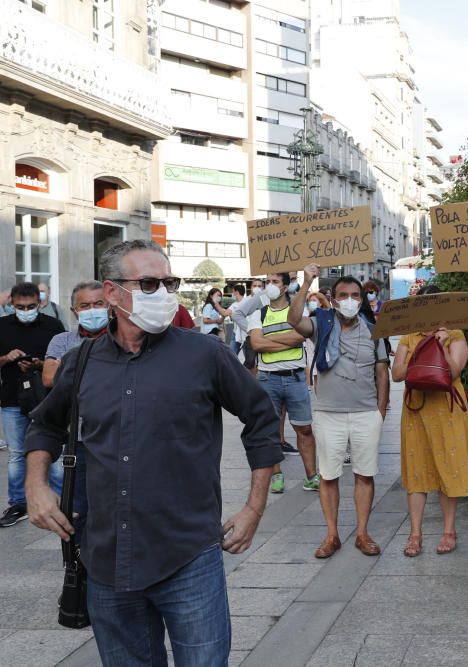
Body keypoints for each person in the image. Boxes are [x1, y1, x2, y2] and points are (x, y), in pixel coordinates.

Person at [24, 239, 282, 665]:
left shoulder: (205, 354)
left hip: (188, 558)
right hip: (107, 560)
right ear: (111, 293)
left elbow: (261, 419)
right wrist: (36, 484)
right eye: (148, 283)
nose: (163, 294)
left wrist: (254, 508)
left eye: (169, 282)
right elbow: (46, 424)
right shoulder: (82, 361)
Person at [288, 265, 389, 558]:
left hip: (365, 414)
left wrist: (380, 412)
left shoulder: (374, 330)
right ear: (333, 299)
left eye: (355, 295)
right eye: (343, 295)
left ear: (363, 300)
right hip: (328, 414)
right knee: (328, 475)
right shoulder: (322, 324)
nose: (350, 300)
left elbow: (382, 372)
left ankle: (362, 533)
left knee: (364, 474)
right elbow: (294, 319)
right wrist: (306, 282)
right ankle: (331, 534)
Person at [391, 285, 468, 557]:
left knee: (448, 467)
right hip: (417, 408)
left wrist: (442, 344)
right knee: (416, 469)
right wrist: (420, 349)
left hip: (447, 409)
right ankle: (415, 534)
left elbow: (455, 370)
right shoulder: (408, 337)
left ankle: (449, 531)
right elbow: (397, 374)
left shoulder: (455, 334)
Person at [233, 273, 319, 493]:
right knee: (271, 431)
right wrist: (285, 341)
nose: (269, 286)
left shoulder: (297, 311)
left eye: (275, 282)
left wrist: (269, 340)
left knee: (304, 428)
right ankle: (277, 476)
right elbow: (256, 343)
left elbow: (300, 337)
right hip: (267, 379)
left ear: (285, 286)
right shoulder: (258, 314)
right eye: (267, 282)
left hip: (296, 377)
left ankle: (312, 476)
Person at [40, 280, 111, 537]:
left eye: (98, 304)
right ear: (74, 311)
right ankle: (79, 565)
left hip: (120, 436)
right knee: (80, 506)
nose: (92, 310)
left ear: (110, 306)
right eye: (85, 305)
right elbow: (49, 377)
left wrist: (74, 371)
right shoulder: (62, 340)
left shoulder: (122, 338)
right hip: (78, 438)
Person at [0, 282, 65, 528]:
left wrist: (39, 365)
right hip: (11, 399)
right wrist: (7, 358)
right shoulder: (2, 326)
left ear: (40, 304)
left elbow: (63, 362)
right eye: (20, 307)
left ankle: (59, 498)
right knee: (17, 454)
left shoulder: (53, 326)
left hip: (48, 398)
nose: (25, 310)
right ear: (11, 305)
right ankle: (18, 503)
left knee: (56, 452)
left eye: (30, 306)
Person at [230, 284, 248, 355]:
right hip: (235, 333)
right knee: (231, 356)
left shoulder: (247, 302)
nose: (232, 294)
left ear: (236, 292)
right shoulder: (234, 304)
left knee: (248, 358)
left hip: (246, 334)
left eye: (233, 292)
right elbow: (226, 313)